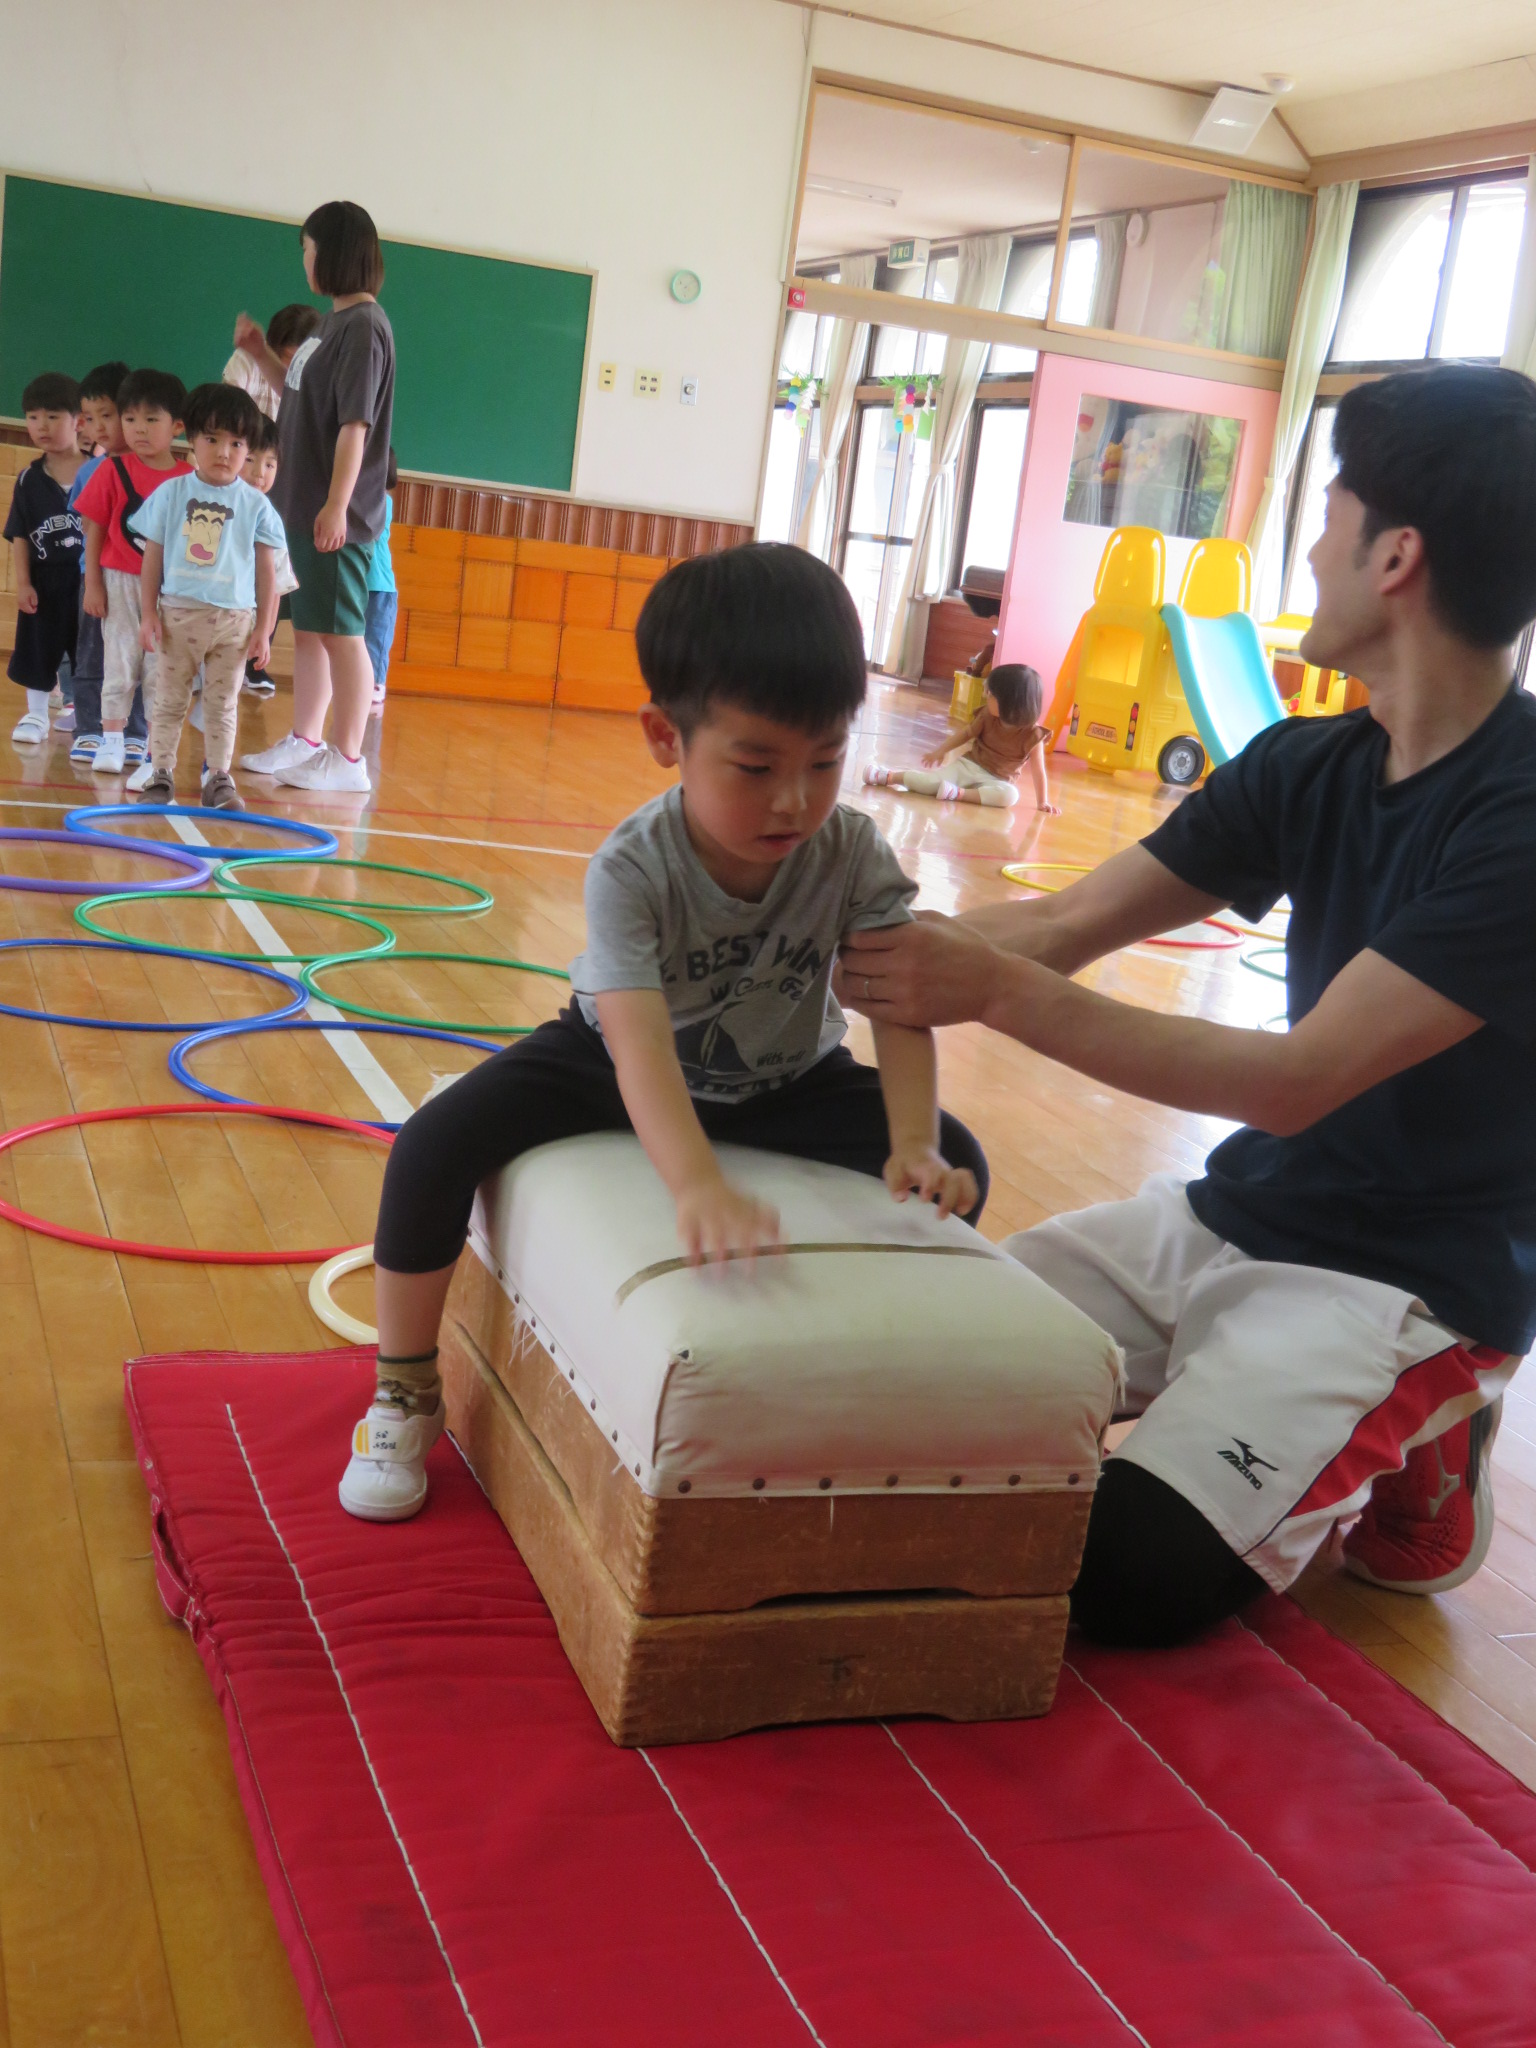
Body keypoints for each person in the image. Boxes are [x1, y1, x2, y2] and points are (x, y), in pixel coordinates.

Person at [837, 365, 1536, 1645]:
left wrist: (986, 988)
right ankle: (1316, 1406)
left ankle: (1433, 1416)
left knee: (1124, 1573)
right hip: (1243, 1207)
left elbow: (1294, 1080)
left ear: (1396, 556)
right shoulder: (1308, 760)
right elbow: (1060, 927)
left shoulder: (1524, 817)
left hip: (1410, 1276)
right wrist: (834, 950)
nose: (1309, 551)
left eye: (1328, 514)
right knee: (894, 1372)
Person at [338, 543, 990, 1521]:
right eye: (756, 765)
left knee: (961, 1159)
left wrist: (912, 1142)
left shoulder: (852, 848)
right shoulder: (633, 869)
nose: (795, 799)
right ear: (664, 736)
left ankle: (876, 1375)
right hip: (607, 1063)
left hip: (790, 1078)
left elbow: (899, 1002)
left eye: (826, 760)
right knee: (430, 1146)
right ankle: (403, 1386)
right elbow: (639, 1044)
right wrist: (695, 1184)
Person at [233, 201, 395, 794]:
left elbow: (356, 425)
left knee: (341, 632)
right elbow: (299, 397)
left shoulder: (365, 328)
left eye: (307, 248)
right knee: (309, 629)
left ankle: (348, 758)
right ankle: (305, 739)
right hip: (299, 508)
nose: (304, 260)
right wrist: (260, 356)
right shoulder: (330, 325)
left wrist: (336, 504)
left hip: (334, 513)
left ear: (333, 252)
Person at [127, 384, 284, 812]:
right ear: (192, 439)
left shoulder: (257, 506)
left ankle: (218, 777)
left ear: (248, 448)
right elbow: (152, 558)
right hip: (178, 617)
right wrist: (147, 613)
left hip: (234, 623)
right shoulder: (171, 494)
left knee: (222, 704)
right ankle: (160, 772)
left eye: (237, 444)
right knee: (169, 699)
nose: (224, 452)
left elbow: (268, 573)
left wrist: (265, 629)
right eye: (212, 439)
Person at [74, 369, 189, 777]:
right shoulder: (111, 469)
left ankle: (155, 755)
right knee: (118, 661)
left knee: (161, 671)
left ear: (177, 426)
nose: (139, 428)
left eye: (151, 419)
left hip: (170, 589)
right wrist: (93, 583)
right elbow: (94, 531)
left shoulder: (189, 479)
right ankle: (111, 741)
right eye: (130, 418)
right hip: (119, 581)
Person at [66, 361, 139, 764]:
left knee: (141, 660)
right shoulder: (93, 470)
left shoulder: (161, 470)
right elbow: (86, 529)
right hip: (97, 578)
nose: (98, 427)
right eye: (89, 418)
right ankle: (90, 728)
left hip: (143, 584)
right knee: (93, 655)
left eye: (107, 415)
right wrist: (93, 582)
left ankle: (135, 732)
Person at [864, 662, 1060, 812]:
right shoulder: (987, 716)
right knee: (930, 783)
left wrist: (1042, 801)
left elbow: (1038, 770)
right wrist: (941, 751)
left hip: (996, 781)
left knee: (1010, 796)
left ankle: (958, 794)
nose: (985, 696)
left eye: (991, 694)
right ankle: (887, 776)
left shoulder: (1033, 735)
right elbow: (965, 734)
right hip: (967, 767)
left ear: (1010, 703)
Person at [6, 373, 83, 744]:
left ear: (78, 421)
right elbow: (20, 534)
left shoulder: (99, 472)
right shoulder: (28, 480)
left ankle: (85, 714)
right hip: (44, 581)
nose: (42, 425)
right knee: (37, 647)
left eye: (53, 416)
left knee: (89, 651)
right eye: (33, 417)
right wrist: (23, 583)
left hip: (88, 582)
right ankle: (36, 715)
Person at [237, 413, 298, 696]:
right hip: (202, 619)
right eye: (250, 459)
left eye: (270, 464)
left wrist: (265, 631)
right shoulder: (210, 504)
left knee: (223, 696)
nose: (259, 472)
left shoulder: (270, 520)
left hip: (241, 626)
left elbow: (276, 585)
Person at [222, 302, 322, 419]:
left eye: (303, 360)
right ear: (272, 350)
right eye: (290, 357)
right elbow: (226, 405)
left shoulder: (322, 383)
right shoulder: (250, 357)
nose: (295, 366)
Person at [364, 447, 398, 713]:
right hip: (359, 583)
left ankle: (376, 683)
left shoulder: (383, 501)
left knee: (375, 638)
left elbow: (367, 530)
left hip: (380, 586)